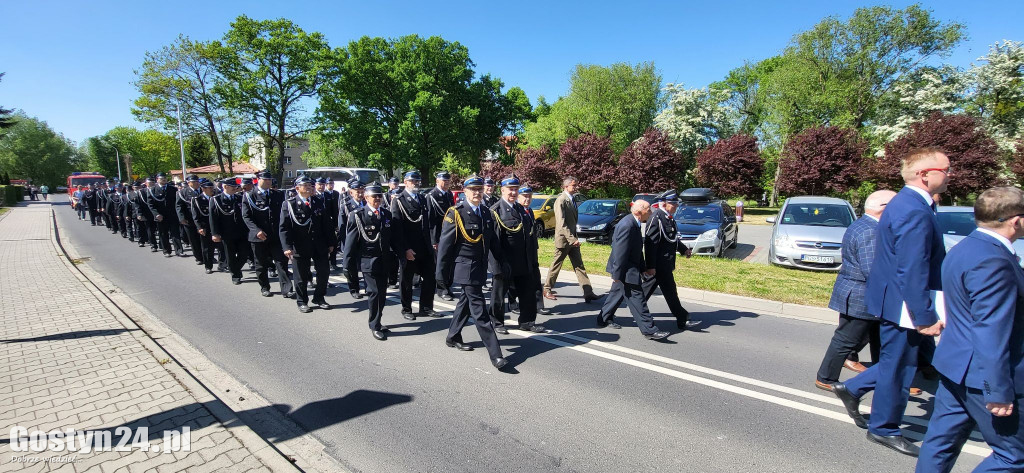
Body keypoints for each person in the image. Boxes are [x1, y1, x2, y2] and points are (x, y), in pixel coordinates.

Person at [833, 147, 950, 457]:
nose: (950, 175)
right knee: (900, 366)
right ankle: (884, 428)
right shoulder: (912, 208)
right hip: (904, 303)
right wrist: (923, 314)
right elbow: (912, 266)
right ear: (925, 175)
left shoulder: (908, 203)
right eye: (946, 170)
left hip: (898, 299)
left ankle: (854, 388)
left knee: (898, 361)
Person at [916, 186, 1024, 473]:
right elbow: (991, 328)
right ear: (1016, 220)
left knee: (940, 444)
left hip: (955, 367)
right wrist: (998, 389)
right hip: (984, 376)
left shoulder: (965, 247)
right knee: (1013, 457)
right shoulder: (994, 260)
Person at [815, 190, 896, 392]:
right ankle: (826, 377)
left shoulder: (866, 225)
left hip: (860, 293)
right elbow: (874, 269)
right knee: (846, 340)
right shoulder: (871, 231)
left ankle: (882, 377)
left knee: (877, 338)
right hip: (862, 295)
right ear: (884, 208)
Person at [437, 174, 509, 370]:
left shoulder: (486, 212)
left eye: (479, 189)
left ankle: (452, 336)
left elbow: (493, 241)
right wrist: (440, 277)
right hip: (465, 268)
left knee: (465, 303)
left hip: (479, 268)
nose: (477, 193)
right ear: (465, 191)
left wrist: (502, 262)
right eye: (473, 189)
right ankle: (496, 355)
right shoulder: (456, 213)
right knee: (480, 311)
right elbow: (445, 247)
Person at [596, 199, 668, 341]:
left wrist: (643, 269)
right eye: (648, 209)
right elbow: (620, 252)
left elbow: (636, 250)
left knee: (616, 294)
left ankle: (603, 318)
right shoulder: (627, 225)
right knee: (637, 299)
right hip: (625, 270)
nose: (651, 212)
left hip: (627, 268)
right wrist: (617, 274)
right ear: (639, 211)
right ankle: (649, 330)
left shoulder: (634, 223)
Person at [344, 183, 406, 340]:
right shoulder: (357, 215)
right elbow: (350, 243)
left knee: (382, 294)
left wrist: (402, 254)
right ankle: (374, 325)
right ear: (366, 198)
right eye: (374, 196)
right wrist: (347, 265)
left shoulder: (385, 214)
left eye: (379, 196)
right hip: (368, 261)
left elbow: (393, 239)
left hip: (384, 260)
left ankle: (378, 321)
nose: (377, 199)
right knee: (374, 293)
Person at [488, 174, 544, 334]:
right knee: (498, 296)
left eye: (515, 189)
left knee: (528, 292)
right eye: (510, 189)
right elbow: (493, 243)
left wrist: (532, 261)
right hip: (505, 262)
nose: (513, 193)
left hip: (523, 260)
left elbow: (529, 237)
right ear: (502, 190)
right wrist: (497, 267)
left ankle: (527, 321)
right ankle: (497, 323)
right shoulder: (496, 211)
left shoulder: (521, 210)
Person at [280, 176, 335, 313]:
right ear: (297, 188)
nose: (310, 187)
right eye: (306, 185)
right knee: (301, 277)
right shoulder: (289, 204)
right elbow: (284, 228)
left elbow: (326, 224)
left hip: (319, 244)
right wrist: (287, 247)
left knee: (324, 272)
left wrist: (331, 242)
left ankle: (319, 298)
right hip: (300, 245)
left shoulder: (318, 201)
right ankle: (302, 301)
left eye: (311, 185)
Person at [390, 171, 439, 321]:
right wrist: (405, 249)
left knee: (430, 278)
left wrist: (432, 243)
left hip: (425, 246)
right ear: (405, 182)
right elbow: (397, 230)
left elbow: (427, 224)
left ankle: (426, 307)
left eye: (417, 181)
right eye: (412, 181)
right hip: (409, 248)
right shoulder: (398, 200)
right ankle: (406, 308)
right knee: (407, 280)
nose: (416, 183)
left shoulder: (423, 199)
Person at [642, 189, 693, 330]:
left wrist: (684, 250)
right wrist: (650, 266)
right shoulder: (656, 218)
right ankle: (609, 312)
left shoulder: (668, 217)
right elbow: (650, 244)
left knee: (670, 292)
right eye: (673, 204)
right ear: (664, 204)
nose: (676, 206)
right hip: (657, 265)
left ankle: (681, 318)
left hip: (665, 265)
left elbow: (672, 239)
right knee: (641, 295)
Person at [544, 176, 599, 302]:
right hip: (564, 240)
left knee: (579, 266)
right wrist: (572, 238)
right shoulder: (561, 200)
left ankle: (588, 292)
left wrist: (574, 239)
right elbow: (561, 223)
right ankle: (547, 289)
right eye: (573, 185)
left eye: (576, 185)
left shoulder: (572, 199)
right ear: (566, 186)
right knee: (556, 265)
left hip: (572, 240)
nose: (576, 187)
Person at [241, 171, 294, 298]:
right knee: (261, 264)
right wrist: (256, 230)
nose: (269, 182)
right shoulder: (249, 195)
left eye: (270, 180)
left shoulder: (278, 194)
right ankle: (265, 287)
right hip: (259, 236)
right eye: (266, 179)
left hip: (275, 235)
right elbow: (246, 216)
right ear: (258, 179)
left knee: (281, 262)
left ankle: (286, 288)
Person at [515, 186, 551, 316]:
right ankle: (513, 302)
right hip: (520, 252)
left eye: (529, 196)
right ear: (518, 197)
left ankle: (539, 305)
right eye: (524, 196)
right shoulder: (516, 210)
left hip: (531, 251)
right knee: (515, 282)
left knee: (536, 279)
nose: (527, 199)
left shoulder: (530, 210)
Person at [209, 179, 248, 285]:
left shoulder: (240, 198)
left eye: (236, 187)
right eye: (233, 187)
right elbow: (213, 218)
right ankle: (235, 275)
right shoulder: (216, 199)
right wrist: (215, 233)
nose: (236, 189)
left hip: (241, 232)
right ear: (225, 187)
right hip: (227, 233)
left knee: (244, 254)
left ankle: (235, 269)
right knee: (230, 255)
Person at [427, 171, 456, 301]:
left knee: (450, 262)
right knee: (441, 263)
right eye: (444, 181)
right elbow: (431, 221)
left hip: (449, 233)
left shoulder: (449, 195)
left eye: (448, 181)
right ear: (437, 181)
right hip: (439, 235)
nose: (446, 183)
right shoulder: (431, 196)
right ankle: (441, 289)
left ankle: (448, 286)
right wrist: (434, 239)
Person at [339, 178, 365, 298]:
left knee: (366, 265)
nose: (360, 194)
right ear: (351, 192)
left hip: (366, 241)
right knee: (352, 267)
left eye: (362, 191)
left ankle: (368, 287)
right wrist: (345, 244)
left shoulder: (367, 203)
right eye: (357, 191)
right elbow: (342, 226)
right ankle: (354, 289)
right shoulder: (346, 206)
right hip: (352, 241)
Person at [145, 173, 182, 257]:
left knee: (175, 233)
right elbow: (150, 204)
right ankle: (166, 251)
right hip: (161, 216)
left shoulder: (173, 189)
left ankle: (179, 250)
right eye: (161, 178)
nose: (164, 179)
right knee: (163, 234)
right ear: (157, 179)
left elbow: (177, 203)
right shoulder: (152, 190)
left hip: (172, 215)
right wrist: (156, 214)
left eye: (165, 178)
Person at [176, 175, 205, 266]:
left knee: (204, 239)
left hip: (202, 219)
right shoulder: (182, 192)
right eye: (194, 182)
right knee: (194, 240)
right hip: (189, 220)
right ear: (189, 183)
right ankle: (199, 257)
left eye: (197, 181)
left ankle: (207, 256)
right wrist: (182, 218)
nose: (197, 183)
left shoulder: (203, 190)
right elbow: (179, 206)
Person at [190, 179, 217, 274]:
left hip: (217, 226)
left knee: (222, 247)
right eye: (209, 188)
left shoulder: (216, 198)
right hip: (205, 227)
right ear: (203, 189)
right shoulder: (197, 200)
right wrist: (199, 227)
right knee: (207, 248)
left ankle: (223, 264)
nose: (211, 189)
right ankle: (208, 266)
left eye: (212, 187)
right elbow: (195, 216)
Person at [322, 179, 342, 271]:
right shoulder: (324, 194)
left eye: (332, 183)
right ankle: (327, 262)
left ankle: (333, 262)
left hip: (334, 220)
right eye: (329, 184)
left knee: (334, 242)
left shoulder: (336, 193)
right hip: (325, 221)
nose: (331, 185)